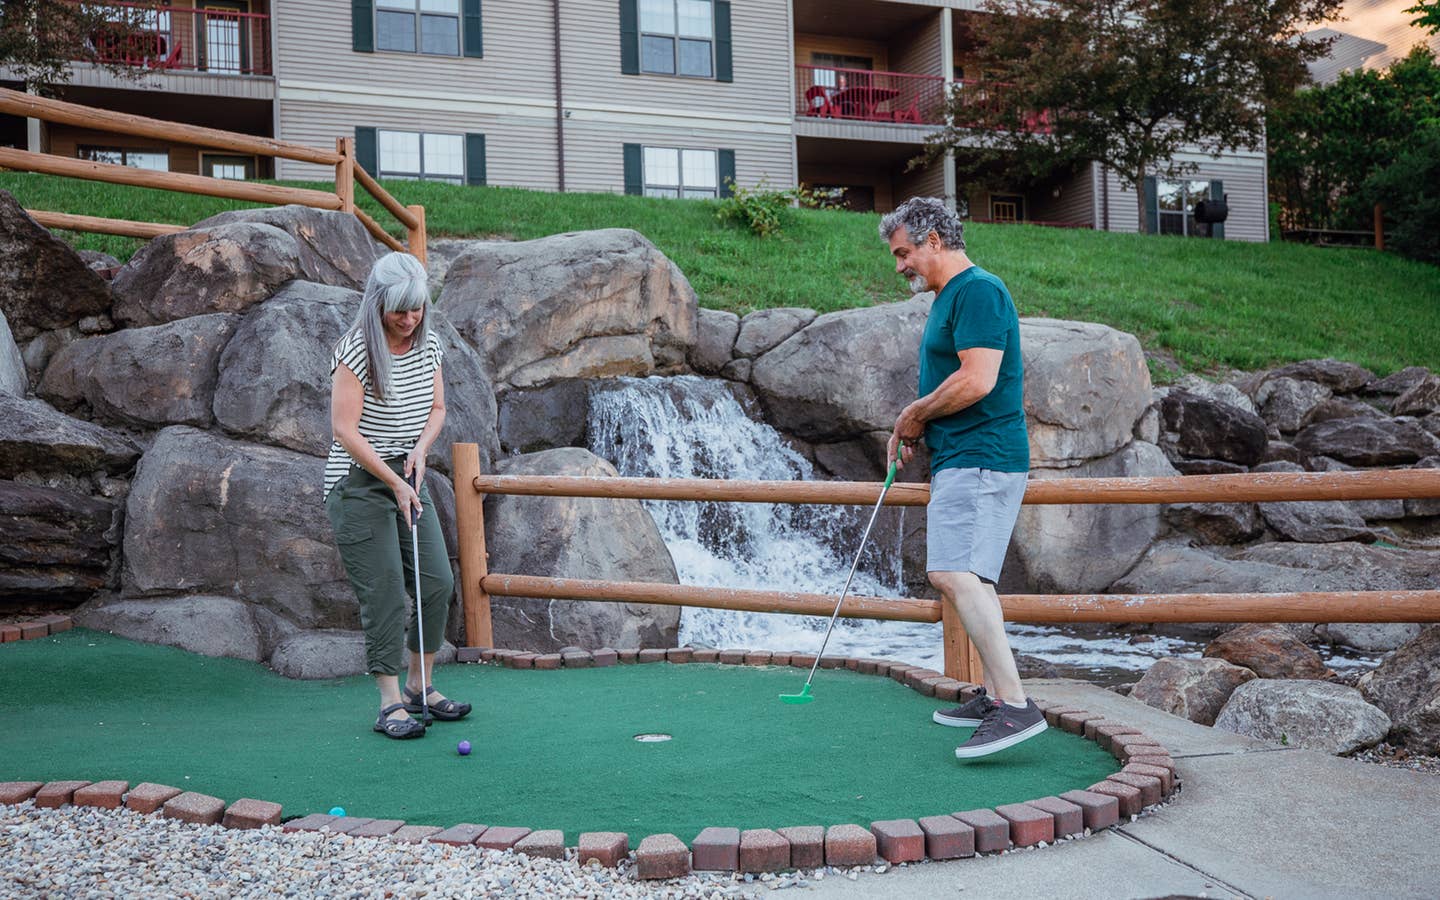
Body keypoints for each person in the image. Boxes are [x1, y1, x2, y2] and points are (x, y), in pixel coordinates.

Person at [878, 197, 1046, 759]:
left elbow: (978, 380)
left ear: (932, 240)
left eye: (904, 253)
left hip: (982, 457)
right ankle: (999, 697)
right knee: (971, 577)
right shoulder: (953, 297)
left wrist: (914, 414)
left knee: (952, 572)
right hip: (965, 457)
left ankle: (1017, 707)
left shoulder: (978, 291)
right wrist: (920, 424)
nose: (900, 265)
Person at [325, 251, 470, 740]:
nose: (409, 320)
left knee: (437, 581)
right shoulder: (356, 352)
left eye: (418, 310)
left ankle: (419, 684)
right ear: (377, 303)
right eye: (400, 311)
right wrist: (393, 481)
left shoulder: (428, 344)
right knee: (385, 590)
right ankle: (389, 703)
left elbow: (438, 407)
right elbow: (344, 430)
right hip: (360, 482)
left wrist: (423, 452)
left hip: (408, 473)